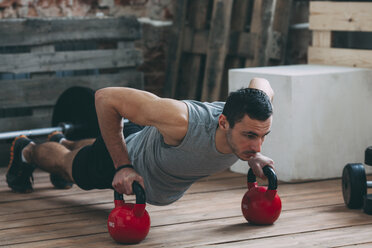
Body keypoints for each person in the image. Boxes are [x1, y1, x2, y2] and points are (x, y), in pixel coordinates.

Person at [6, 78, 274, 206]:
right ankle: (27, 151)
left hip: (142, 137)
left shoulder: (253, 111)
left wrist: (253, 155)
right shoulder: (182, 121)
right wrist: (122, 165)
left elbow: (262, 84)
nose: (258, 144)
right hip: (127, 156)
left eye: (263, 136)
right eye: (250, 136)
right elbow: (105, 98)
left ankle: (64, 140)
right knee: (68, 166)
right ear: (224, 122)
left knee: (89, 146)